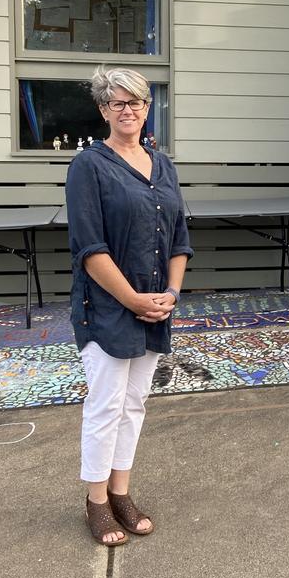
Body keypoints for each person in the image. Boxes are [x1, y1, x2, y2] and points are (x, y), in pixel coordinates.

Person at [65, 66, 193, 546]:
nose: (128, 110)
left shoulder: (163, 165)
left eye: (136, 101)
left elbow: (180, 238)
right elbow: (90, 249)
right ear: (103, 110)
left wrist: (171, 296)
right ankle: (96, 502)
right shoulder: (88, 166)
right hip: (107, 308)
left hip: (157, 305)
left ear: (147, 107)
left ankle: (121, 492)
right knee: (106, 404)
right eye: (117, 103)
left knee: (135, 402)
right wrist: (133, 299)